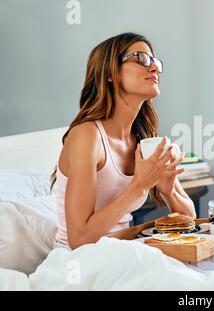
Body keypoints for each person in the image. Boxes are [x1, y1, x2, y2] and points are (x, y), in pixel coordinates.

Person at [52, 33, 195, 250]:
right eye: (141, 59)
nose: (154, 68)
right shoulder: (87, 136)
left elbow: (190, 219)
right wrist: (139, 186)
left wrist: (169, 190)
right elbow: (79, 239)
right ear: (110, 72)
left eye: (155, 61)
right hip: (80, 262)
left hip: (123, 252)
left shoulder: (143, 141)